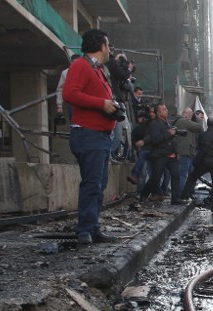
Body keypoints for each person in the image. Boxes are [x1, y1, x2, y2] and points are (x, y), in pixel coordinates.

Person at [62, 29, 120, 245]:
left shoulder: (98, 70)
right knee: (92, 182)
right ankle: (85, 230)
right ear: (102, 46)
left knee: (99, 183)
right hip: (88, 134)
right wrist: (101, 103)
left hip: (100, 135)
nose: (110, 49)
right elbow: (69, 94)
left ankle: (93, 227)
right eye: (108, 44)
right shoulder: (81, 66)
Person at [141, 103, 185, 204]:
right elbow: (155, 140)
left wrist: (176, 152)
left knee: (176, 175)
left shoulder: (167, 123)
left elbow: (172, 140)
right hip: (160, 155)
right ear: (158, 112)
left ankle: (176, 199)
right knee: (156, 177)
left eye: (166, 109)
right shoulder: (154, 125)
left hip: (171, 155)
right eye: (164, 109)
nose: (167, 110)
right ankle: (144, 195)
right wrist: (168, 133)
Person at [179, 117, 213, 212]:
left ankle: (184, 196)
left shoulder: (202, 135)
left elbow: (198, 147)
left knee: (192, 177)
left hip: (203, 162)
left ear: (207, 124)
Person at [173, 107, 204, 192]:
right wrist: (198, 119)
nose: (191, 115)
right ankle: (182, 193)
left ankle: (188, 191)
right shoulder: (184, 121)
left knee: (190, 172)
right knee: (183, 174)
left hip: (186, 151)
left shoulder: (179, 121)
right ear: (185, 113)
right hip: (185, 151)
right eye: (190, 113)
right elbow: (199, 127)